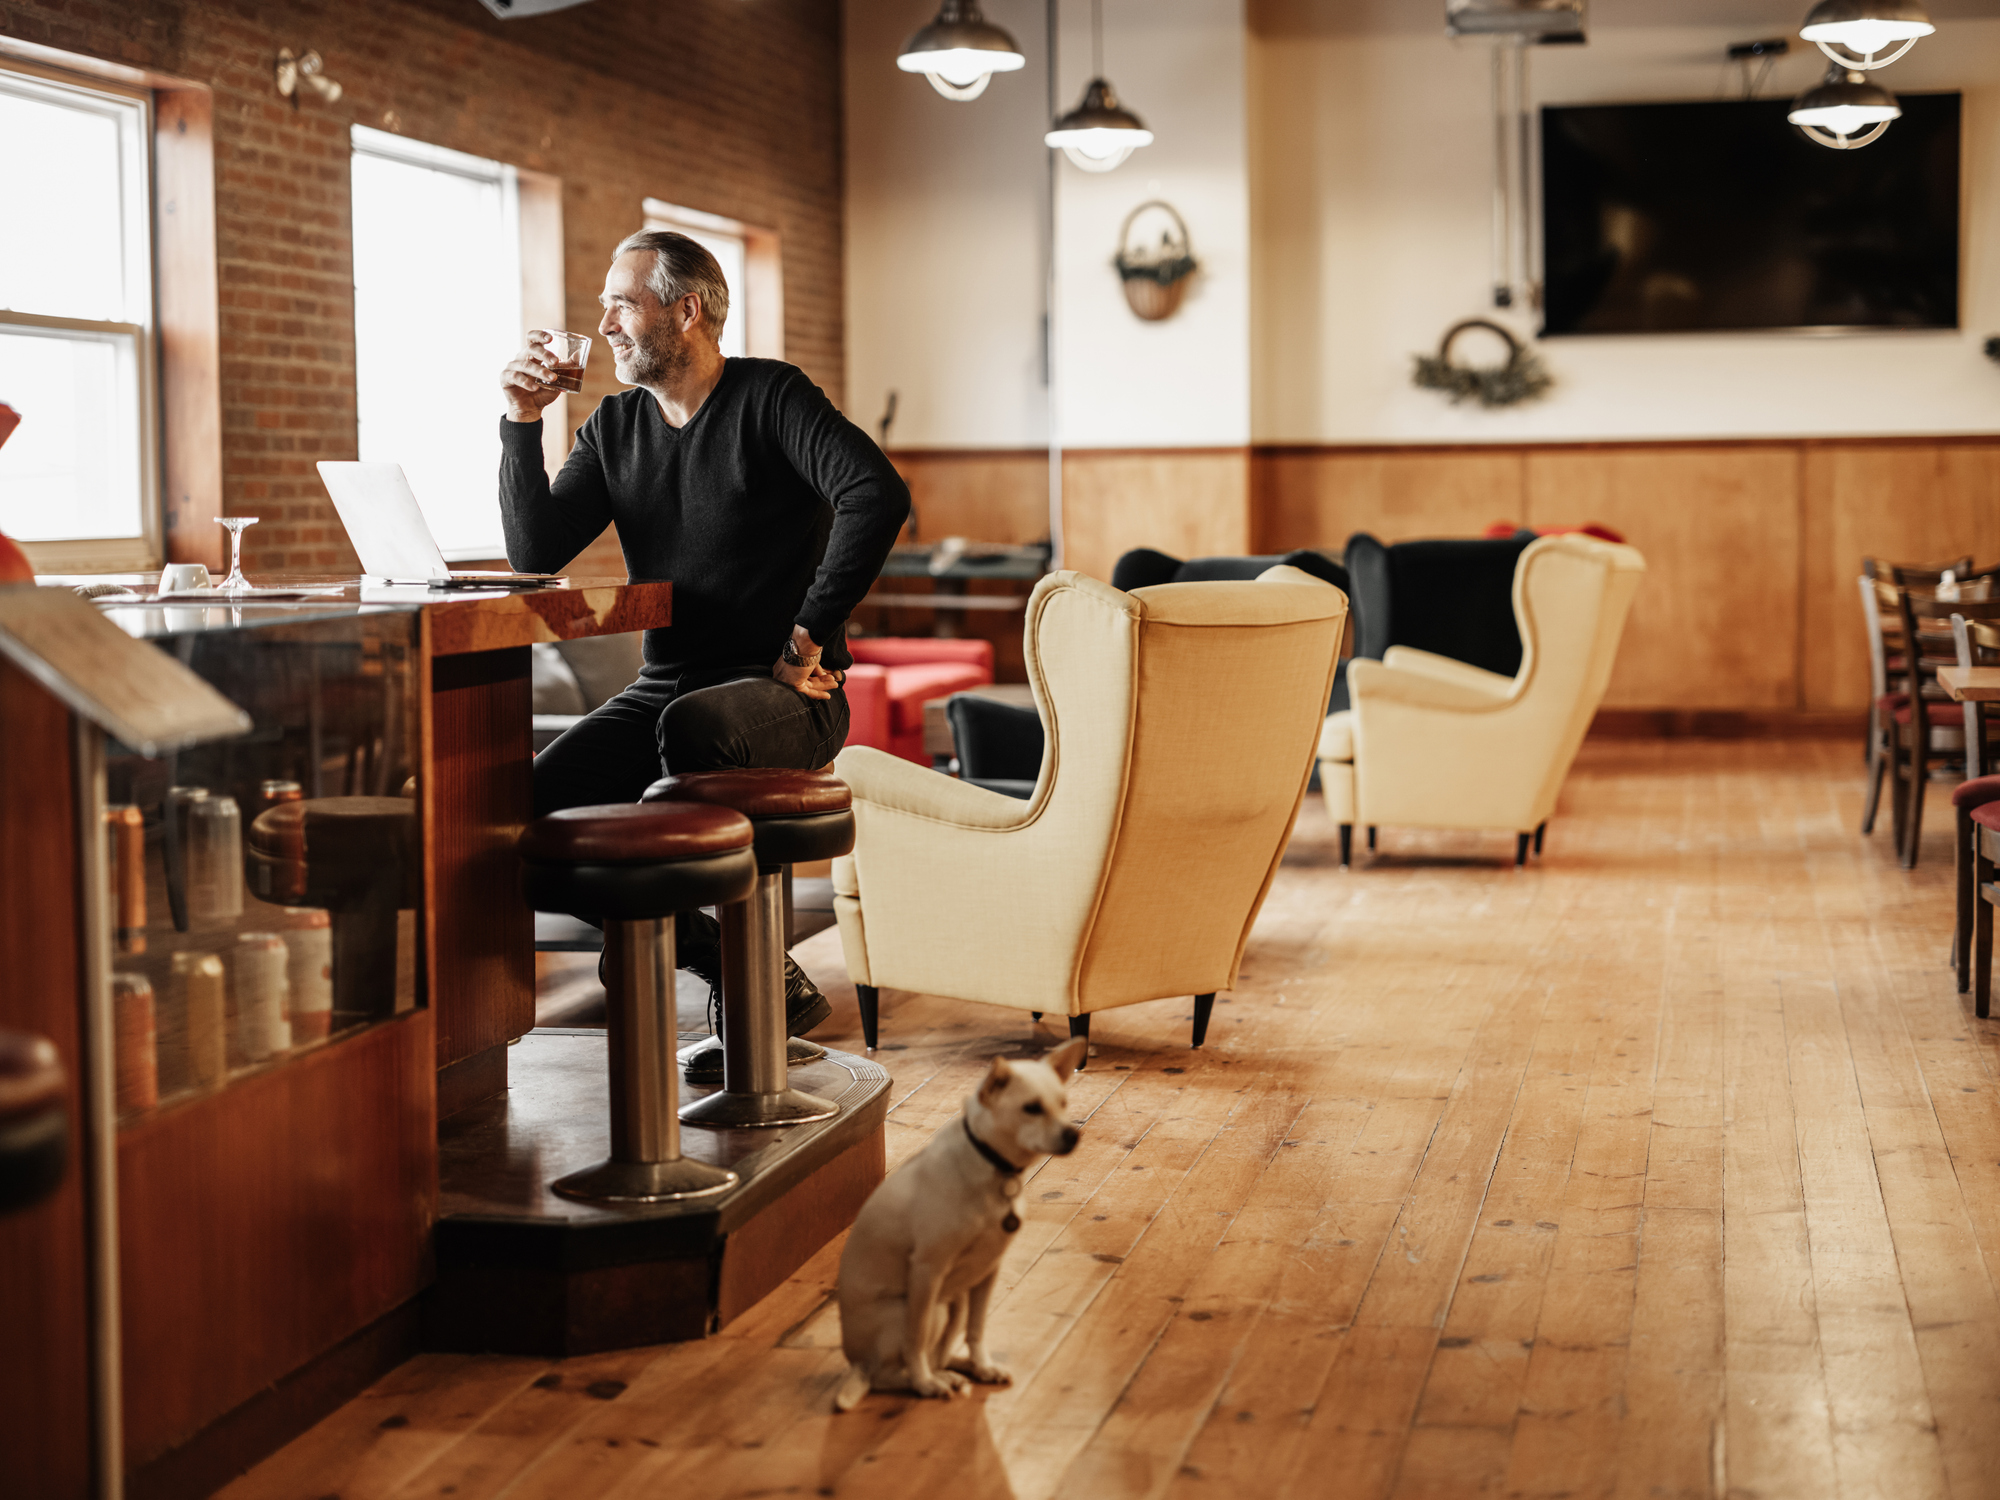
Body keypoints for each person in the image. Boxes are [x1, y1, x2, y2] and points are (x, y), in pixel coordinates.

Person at [498, 230, 909, 1082]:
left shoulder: (772, 397)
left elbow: (875, 493)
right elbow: (535, 552)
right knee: (520, 812)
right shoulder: (615, 426)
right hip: (667, 690)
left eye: (623, 303)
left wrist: (808, 635)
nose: (604, 323)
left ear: (685, 311)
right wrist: (521, 422)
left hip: (786, 692)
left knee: (693, 729)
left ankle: (685, 951)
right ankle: (729, 962)